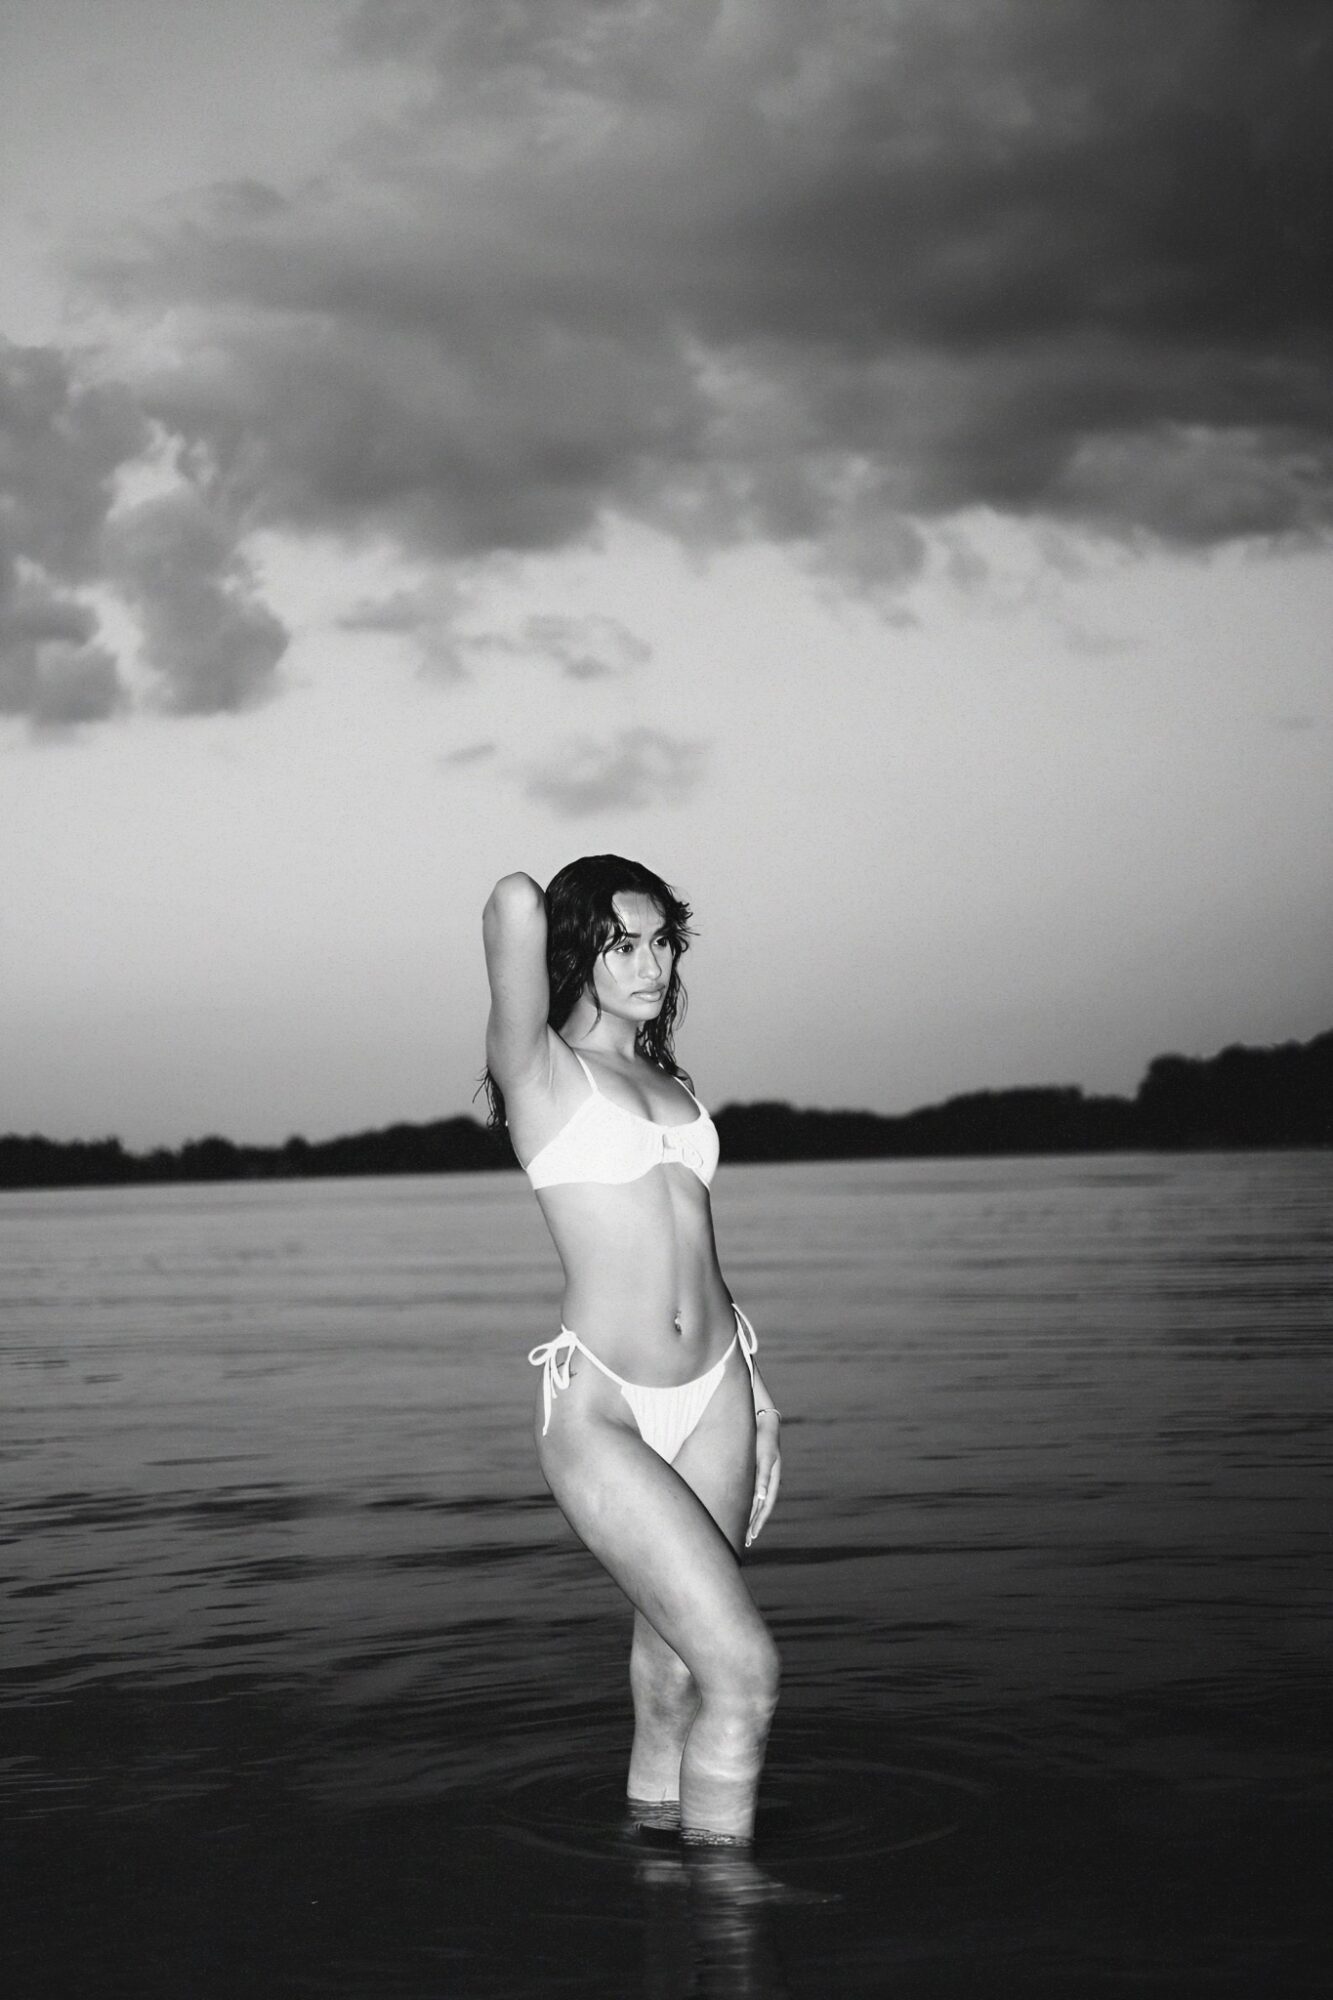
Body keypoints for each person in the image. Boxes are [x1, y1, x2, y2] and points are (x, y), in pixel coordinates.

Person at [482, 856, 783, 1847]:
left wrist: (758, 1399)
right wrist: (578, 899)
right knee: (745, 1670)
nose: (651, 965)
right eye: (621, 944)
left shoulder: (668, 1080)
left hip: (718, 1390)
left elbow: (697, 1248)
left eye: (661, 943)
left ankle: (653, 1876)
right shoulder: (538, 1069)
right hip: (604, 1406)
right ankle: (731, 1905)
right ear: (577, 947)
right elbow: (513, 902)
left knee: (676, 1673)